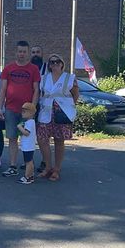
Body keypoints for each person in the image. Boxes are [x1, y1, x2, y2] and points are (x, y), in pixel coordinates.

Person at [0, 41, 41, 177]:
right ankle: (12, 165)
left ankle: (28, 165)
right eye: (19, 51)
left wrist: (32, 108)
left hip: (26, 111)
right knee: (12, 138)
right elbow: (3, 89)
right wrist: (0, 107)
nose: (21, 54)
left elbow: (36, 90)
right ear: (15, 52)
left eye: (24, 52)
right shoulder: (8, 69)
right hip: (10, 108)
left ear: (28, 53)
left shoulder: (33, 69)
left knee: (27, 138)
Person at [36, 54, 79, 182]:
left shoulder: (70, 78)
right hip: (46, 113)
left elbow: (75, 94)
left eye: (57, 62)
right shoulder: (43, 78)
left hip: (62, 113)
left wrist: (69, 107)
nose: (54, 64)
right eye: (51, 62)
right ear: (49, 65)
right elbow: (40, 94)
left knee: (59, 141)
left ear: (62, 64)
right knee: (42, 139)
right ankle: (48, 166)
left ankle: (56, 169)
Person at [17, 102, 37, 184]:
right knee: (29, 161)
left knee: (28, 162)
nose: (22, 113)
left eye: (24, 112)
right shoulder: (29, 122)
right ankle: (31, 175)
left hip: (28, 146)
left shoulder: (30, 122)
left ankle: (27, 176)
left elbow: (26, 133)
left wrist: (19, 127)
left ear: (31, 113)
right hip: (28, 145)